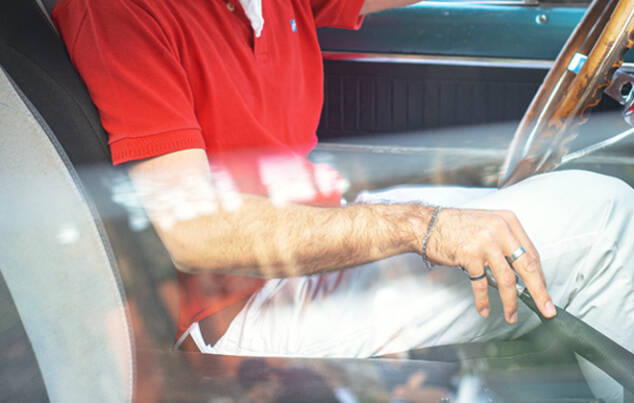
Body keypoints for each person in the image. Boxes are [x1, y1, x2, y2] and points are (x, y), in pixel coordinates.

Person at [52, 0, 634, 400]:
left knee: (561, 212)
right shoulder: (120, 12)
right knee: (604, 222)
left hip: (304, 234)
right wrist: (419, 227)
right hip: (232, 308)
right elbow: (195, 232)